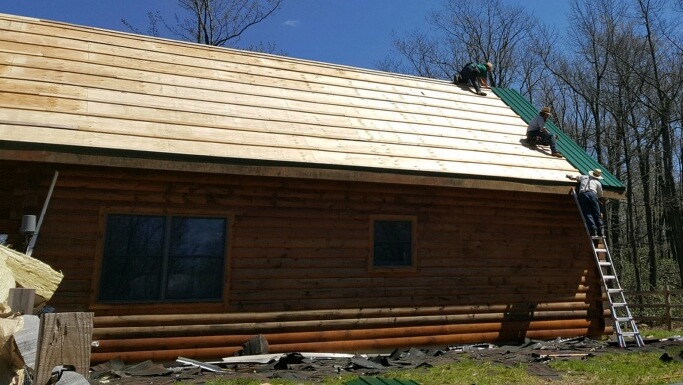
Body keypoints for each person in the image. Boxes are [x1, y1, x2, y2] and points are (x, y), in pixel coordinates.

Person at [567, 169, 605, 237]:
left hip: (583, 195)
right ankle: (600, 230)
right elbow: (600, 194)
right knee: (597, 213)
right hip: (593, 195)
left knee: (587, 213)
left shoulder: (584, 177)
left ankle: (593, 229)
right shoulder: (598, 183)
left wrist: (569, 176)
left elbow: (575, 177)